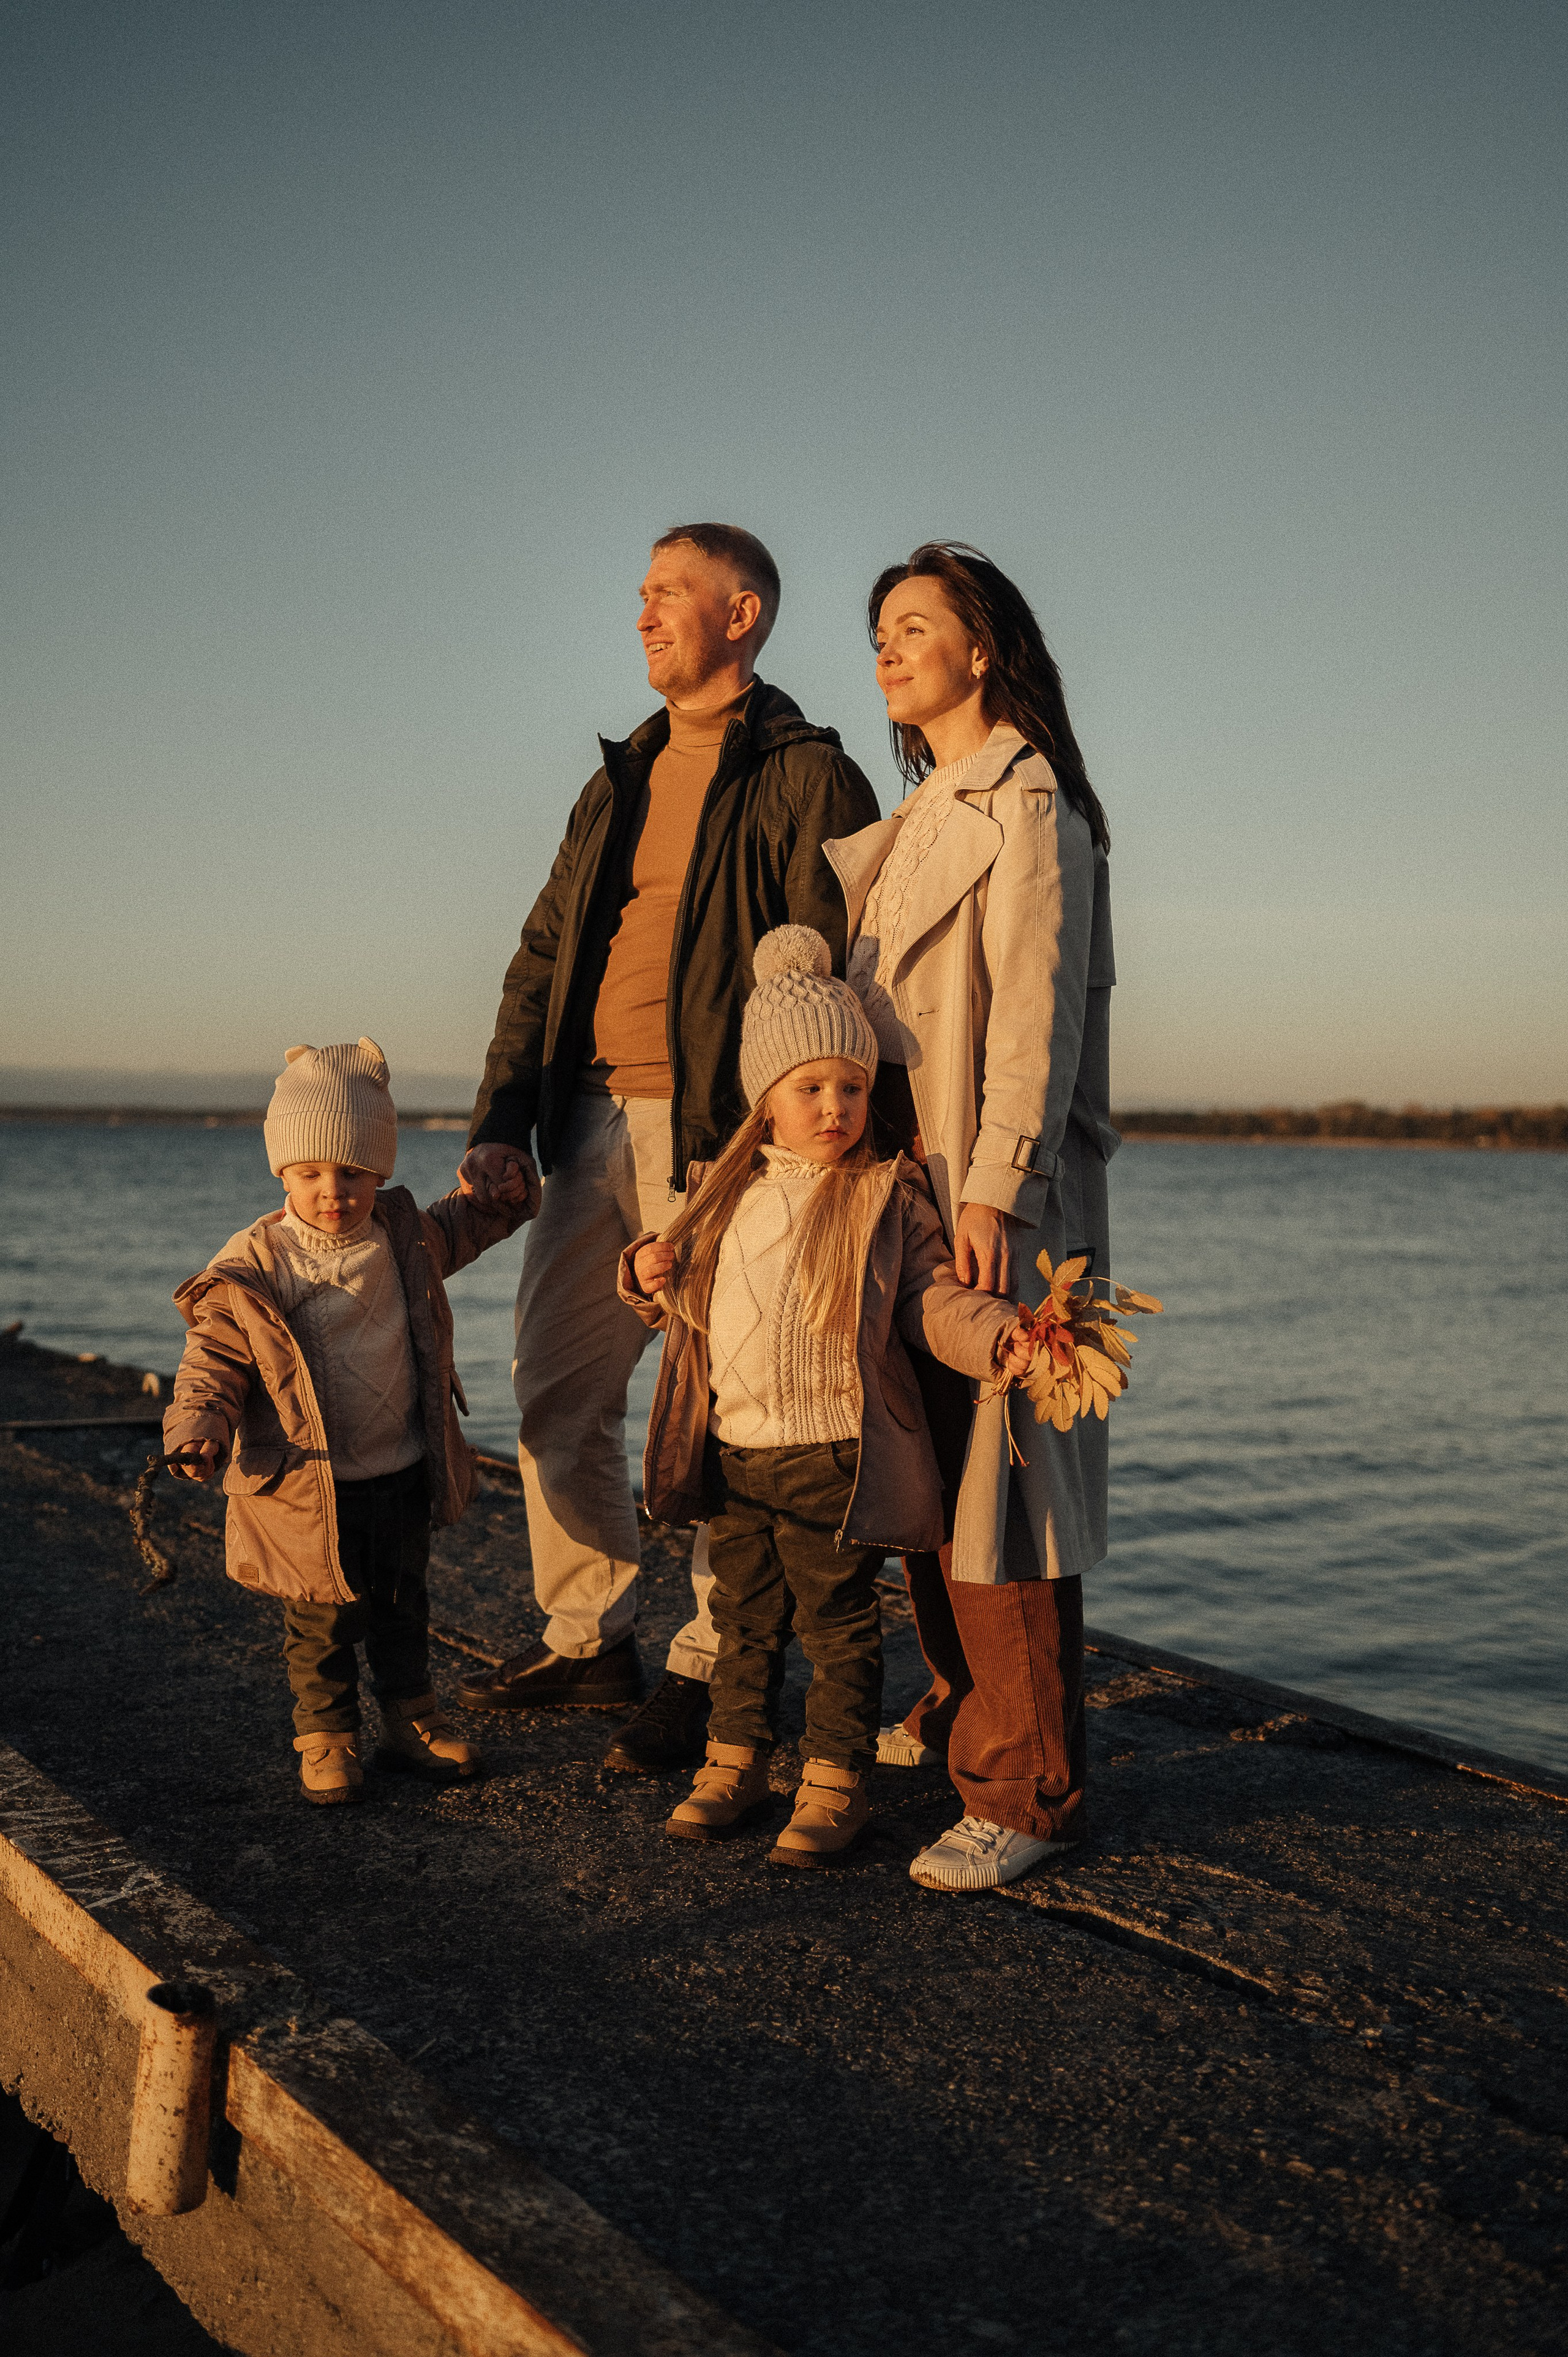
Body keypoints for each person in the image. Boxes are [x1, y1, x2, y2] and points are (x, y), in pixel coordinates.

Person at [454, 526, 880, 1776]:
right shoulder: (617, 778)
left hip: (722, 1138)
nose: (640, 615)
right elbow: (543, 954)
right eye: (637, 596)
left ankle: (707, 1667)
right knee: (554, 1394)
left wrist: (798, 1151)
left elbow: (833, 978)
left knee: (720, 1412)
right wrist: (499, 1116)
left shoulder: (808, 774)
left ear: (740, 613)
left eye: (665, 595)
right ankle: (589, 1634)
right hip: (587, 1117)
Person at [824, 543, 1118, 1893]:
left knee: (1007, 1490)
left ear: (981, 646)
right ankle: (961, 1702)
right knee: (929, 1472)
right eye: (878, 629)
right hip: (907, 1192)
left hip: (995, 1191)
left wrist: (997, 1179)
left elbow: (1039, 1012)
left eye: (914, 626)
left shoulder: (1030, 804)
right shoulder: (928, 806)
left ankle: (1025, 1791)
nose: (887, 647)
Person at [618, 927, 1033, 1865]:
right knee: (742, 1621)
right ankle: (734, 1765)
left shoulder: (887, 1196)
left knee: (840, 1631)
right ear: (765, 1099)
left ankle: (835, 1784)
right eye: (810, 1089)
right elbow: (676, 1295)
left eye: (851, 1087)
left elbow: (932, 1301)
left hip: (837, 1458)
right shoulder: (723, 1193)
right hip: (737, 1453)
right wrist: (645, 1273)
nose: (836, 1107)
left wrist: (1000, 1336)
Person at [162, 1039, 531, 1805]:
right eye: (311, 1173)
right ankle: (327, 1735)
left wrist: (499, 1196)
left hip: (398, 1465)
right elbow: (216, 1352)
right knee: (321, 1621)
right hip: (306, 1482)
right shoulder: (259, 1260)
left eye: (354, 1173)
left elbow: (463, 1226)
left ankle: (411, 1719)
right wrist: (199, 1421)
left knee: (403, 1602)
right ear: (283, 1172)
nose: (333, 1190)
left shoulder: (402, 1236)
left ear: (381, 1172)